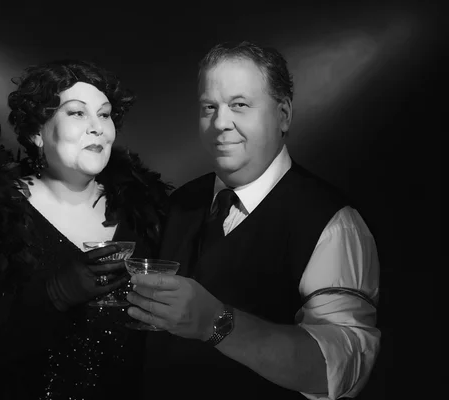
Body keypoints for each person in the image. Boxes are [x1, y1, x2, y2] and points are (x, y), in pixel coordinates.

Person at [126, 41, 381, 399]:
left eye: (240, 105)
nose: (220, 123)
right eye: (209, 107)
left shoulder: (332, 221)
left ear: (284, 115)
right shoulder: (180, 202)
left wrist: (217, 323)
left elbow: (340, 370)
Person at [0, 60, 172, 399]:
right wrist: (55, 294)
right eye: (77, 113)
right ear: (37, 132)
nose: (97, 127)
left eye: (105, 114)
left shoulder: (146, 211)